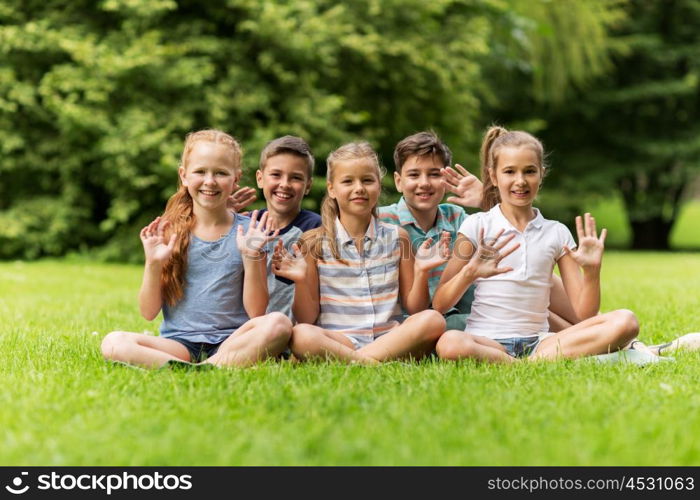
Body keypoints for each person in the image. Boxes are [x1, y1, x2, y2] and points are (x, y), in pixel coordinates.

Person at [432, 126, 639, 362]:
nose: (520, 181)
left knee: (626, 321)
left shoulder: (557, 233)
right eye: (509, 172)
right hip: (487, 340)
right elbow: (440, 303)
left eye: (529, 171)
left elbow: (584, 314)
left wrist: (592, 272)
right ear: (493, 176)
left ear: (542, 174)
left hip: (541, 341)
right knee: (450, 343)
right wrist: (470, 272)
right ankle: (528, 364)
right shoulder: (476, 226)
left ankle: (527, 362)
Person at [100, 129, 292, 369]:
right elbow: (148, 312)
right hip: (179, 344)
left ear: (235, 179)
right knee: (113, 342)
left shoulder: (250, 233)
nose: (209, 181)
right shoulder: (170, 233)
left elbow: (256, 313)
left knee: (278, 324)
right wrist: (153, 264)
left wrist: (252, 256)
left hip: (232, 340)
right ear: (184, 176)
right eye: (200, 171)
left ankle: (206, 366)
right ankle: (214, 368)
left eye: (220, 173)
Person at [378, 130, 580, 332]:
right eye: (414, 174)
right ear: (398, 181)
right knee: (517, 312)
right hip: (433, 323)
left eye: (434, 174)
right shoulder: (383, 220)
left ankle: (588, 324)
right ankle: (582, 334)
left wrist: (486, 198)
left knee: (533, 271)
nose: (424, 183)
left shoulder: (456, 217)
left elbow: (504, 229)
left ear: (446, 179)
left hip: (465, 311)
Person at [271, 142, 448, 364]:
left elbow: (415, 308)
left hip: (389, 338)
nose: (359, 188)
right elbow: (307, 317)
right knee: (301, 334)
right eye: (348, 181)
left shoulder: (397, 237)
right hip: (339, 339)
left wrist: (421, 271)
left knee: (433, 319)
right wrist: (299, 280)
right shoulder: (313, 242)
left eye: (367, 180)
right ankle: (371, 363)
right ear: (331, 189)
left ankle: (354, 361)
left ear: (379, 186)